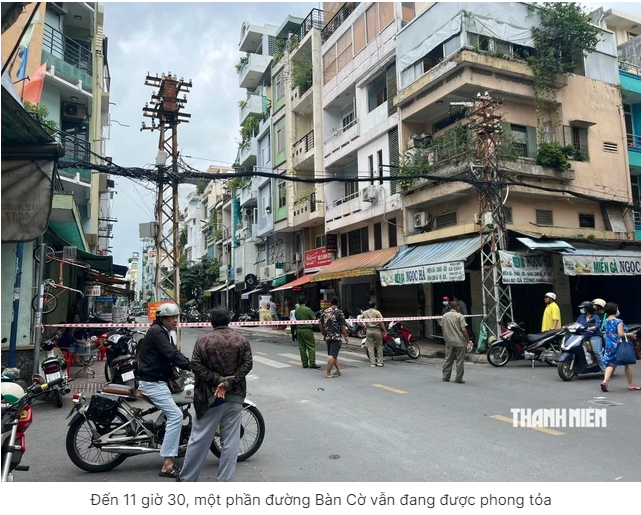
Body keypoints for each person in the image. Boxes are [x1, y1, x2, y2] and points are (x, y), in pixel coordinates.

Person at [178, 306, 253, 482]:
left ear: (211, 321)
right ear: (229, 320)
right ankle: (225, 483)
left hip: (209, 398)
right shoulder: (241, 340)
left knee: (199, 440)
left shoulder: (203, 341)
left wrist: (217, 380)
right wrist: (228, 382)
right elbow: (247, 365)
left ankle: (187, 480)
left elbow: (195, 365)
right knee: (230, 443)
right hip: (234, 396)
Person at [136, 303, 192, 478]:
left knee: (175, 408)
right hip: (153, 382)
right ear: (162, 318)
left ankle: (174, 443)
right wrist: (192, 365)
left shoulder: (163, 331)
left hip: (157, 379)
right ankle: (167, 464)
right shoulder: (157, 332)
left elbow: (173, 354)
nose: (175, 321)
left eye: (177, 317)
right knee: (176, 415)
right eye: (172, 318)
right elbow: (171, 354)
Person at [600, 302, 639, 392]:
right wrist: (631, 335)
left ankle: (605, 381)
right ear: (615, 310)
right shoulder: (618, 321)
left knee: (610, 364)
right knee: (627, 364)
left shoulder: (606, 321)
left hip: (609, 344)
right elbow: (621, 334)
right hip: (619, 344)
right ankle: (630, 384)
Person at [318, 297, 348, 379]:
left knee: (333, 354)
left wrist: (323, 332)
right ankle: (328, 373)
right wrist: (346, 336)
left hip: (328, 337)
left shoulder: (325, 311)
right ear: (338, 303)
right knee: (332, 355)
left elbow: (320, 322)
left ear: (331, 303)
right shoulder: (339, 312)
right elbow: (342, 326)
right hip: (336, 337)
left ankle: (338, 370)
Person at [441, 301, 469, 384]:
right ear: (457, 307)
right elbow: (463, 330)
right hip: (459, 342)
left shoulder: (444, 316)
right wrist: (467, 339)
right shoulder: (459, 316)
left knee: (448, 360)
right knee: (459, 361)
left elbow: (442, 329)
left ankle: (446, 377)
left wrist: (446, 338)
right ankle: (458, 378)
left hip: (449, 342)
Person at [576, 301, 605, 374]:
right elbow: (576, 324)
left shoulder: (595, 316)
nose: (581, 310)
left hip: (594, 336)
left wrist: (593, 327)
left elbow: (597, 324)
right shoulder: (581, 317)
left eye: (583, 308)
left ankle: (604, 371)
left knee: (597, 352)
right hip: (583, 336)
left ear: (588, 309)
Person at [295, 297, 320, 369]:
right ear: (305, 302)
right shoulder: (308, 309)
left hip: (299, 330)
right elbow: (314, 318)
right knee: (311, 346)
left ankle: (304, 363)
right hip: (307, 330)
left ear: (298, 302)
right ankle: (312, 363)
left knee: (302, 347)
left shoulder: (297, 310)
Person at [361, 300, 386, 367]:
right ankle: (380, 362)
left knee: (370, 347)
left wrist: (364, 326)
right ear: (375, 306)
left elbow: (359, 319)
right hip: (377, 330)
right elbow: (381, 322)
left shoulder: (365, 312)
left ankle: (373, 363)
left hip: (369, 331)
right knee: (379, 346)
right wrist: (385, 330)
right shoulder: (377, 312)